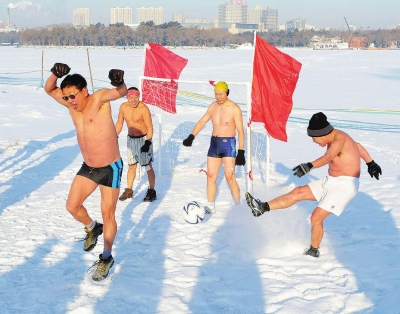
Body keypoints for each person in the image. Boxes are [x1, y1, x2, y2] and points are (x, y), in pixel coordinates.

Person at [245, 112, 382, 257]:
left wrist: (309, 166)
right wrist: (371, 163)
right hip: (331, 181)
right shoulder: (337, 135)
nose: (313, 141)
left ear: (322, 133)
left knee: (316, 217)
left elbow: (328, 157)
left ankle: (314, 250)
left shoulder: (338, 141)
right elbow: (358, 146)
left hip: (344, 187)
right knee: (297, 193)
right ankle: (262, 207)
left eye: (314, 137)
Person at [44, 63, 127, 281]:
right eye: (67, 97)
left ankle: (106, 257)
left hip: (110, 168)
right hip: (89, 167)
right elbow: (49, 89)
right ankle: (92, 227)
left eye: (73, 96)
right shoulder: (72, 106)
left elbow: (120, 93)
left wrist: (119, 82)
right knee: (72, 206)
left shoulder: (98, 100)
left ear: (84, 91)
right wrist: (54, 74)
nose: (70, 101)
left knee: (108, 214)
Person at [182, 81, 246, 213]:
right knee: (211, 175)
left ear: (227, 93)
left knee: (230, 176)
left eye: (221, 94)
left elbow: (240, 131)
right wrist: (191, 136)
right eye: (216, 94)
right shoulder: (213, 106)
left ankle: (239, 207)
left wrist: (241, 151)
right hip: (214, 144)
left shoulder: (234, 108)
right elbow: (202, 121)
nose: (218, 97)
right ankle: (210, 206)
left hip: (229, 145)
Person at [115, 87, 157, 202]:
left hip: (143, 139)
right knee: (131, 166)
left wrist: (148, 142)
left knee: (148, 166)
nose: (133, 100)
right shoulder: (123, 107)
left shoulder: (144, 109)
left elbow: (150, 127)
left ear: (139, 97)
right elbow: (119, 123)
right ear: (127, 97)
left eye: (136, 97)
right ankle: (129, 190)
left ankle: (152, 191)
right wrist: (114, 136)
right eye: (131, 97)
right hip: (131, 140)